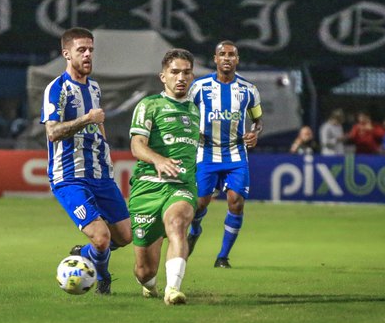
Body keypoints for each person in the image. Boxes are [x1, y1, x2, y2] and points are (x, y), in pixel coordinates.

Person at [41, 27, 132, 295]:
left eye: (91, 49)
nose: (88, 54)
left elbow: (98, 124)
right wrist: (86, 119)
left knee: (124, 237)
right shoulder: (56, 88)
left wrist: (105, 150)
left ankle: (83, 253)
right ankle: (103, 279)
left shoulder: (93, 87)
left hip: (100, 175)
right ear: (66, 54)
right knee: (102, 237)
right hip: (69, 177)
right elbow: (53, 132)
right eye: (82, 50)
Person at [128, 49, 199, 305]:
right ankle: (150, 284)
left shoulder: (197, 111)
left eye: (186, 72)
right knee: (144, 271)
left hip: (181, 186)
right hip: (147, 188)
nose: (181, 77)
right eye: (175, 72)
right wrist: (159, 160)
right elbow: (137, 145)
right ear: (163, 76)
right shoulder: (149, 106)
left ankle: (173, 289)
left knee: (178, 223)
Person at [186, 40, 263, 268]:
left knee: (236, 202)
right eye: (223, 54)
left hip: (236, 154)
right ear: (215, 59)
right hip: (205, 153)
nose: (227, 58)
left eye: (231, 54)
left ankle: (222, 257)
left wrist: (254, 133)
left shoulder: (249, 90)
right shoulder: (199, 87)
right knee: (199, 203)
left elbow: (257, 120)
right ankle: (195, 229)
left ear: (237, 60)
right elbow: (186, 114)